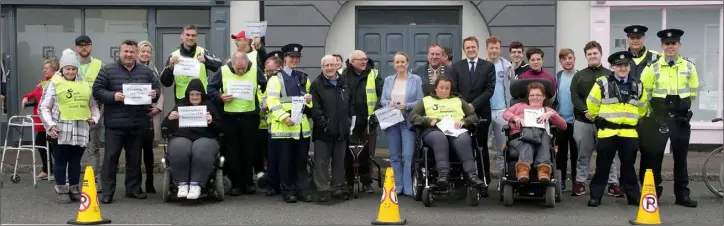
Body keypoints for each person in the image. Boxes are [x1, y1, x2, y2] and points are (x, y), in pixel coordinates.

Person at [93, 40, 161, 204]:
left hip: (138, 122)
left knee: (134, 158)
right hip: (115, 124)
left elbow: (157, 89)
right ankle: (108, 192)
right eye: (126, 51)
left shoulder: (146, 71)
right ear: (120, 52)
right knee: (110, 159)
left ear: (136, 53)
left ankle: (133, 189)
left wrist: (154, 94)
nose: (129, 55)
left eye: (132, 52)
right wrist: (112, 96)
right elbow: (97, 90)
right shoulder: (107, 70)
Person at [639, 28, 698, 207]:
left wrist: (682, 108)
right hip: (658, 119)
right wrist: (646, 116)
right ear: (661, 45)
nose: (670, 46)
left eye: (673, 43)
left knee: (681, 159)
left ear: (679, 45)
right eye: (667, 44)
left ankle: (682, 195)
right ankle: (653, 193)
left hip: (680, 119)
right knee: (653, 158)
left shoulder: (689, 66)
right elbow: (645, 93)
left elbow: (693, 92)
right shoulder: (652, 67)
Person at [39, 49, 101, 203]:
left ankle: (74, 189)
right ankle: (61, 190)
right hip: (60, 130)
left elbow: (93, 106)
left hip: (80, 129)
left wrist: (95, 118)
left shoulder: (84, 83)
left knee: (75, 161)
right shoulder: (54, 82)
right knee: (60, 161)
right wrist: (50, 125)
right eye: (68, 68)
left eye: (73, 68)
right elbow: (44, 107)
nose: (71, 72)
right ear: (62, 68)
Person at [585, 51, 646, 207]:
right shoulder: (602, 83)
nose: (622, 68)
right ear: (612, 67)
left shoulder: (638, 85)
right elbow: (591, 102)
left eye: (625, 65)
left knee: (629, 167)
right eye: (619, 66)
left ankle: (633, 197)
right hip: (607, 131)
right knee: (602, 166)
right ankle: (595, 196)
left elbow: (643, 107)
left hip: (629, 133)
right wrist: (597, 117)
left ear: (629, 66)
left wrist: (633, 120)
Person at [207, 51, 267, 196]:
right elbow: (211, 89)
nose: (241, 71)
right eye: (238, 68)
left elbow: (265, 85)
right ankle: (236, 184)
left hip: (250, 116)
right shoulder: (223, 70)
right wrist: (220, 97)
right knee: (232, 151)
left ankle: (248, 182)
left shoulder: (255, 69)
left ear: (247, 63)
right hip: (229, 117)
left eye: (243, 68)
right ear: (232, 63)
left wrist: (264, 100)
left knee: (249, 151)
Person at [409, 76, 485, 188]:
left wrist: (464, 121)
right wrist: (428, 120)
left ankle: (472, 175)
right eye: (441, 88)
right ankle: (443, 175)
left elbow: (474, 117)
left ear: (450, 89)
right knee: (439, 139)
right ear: (436, 88)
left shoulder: (458, 100)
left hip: (455, 129)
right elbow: (413, 116)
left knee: (464, 139)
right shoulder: (426, 100)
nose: (444, 91)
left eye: (447, 88)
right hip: (434, 129)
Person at [570, 41, 622, 197]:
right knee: (583, 154)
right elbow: (575, 96)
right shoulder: (579, 76)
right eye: (589, 54)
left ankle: (613, 183)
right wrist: (586, 110)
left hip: (606, 122)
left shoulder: (610, 75)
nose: (592, 56)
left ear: (600, 54)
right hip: (583, 121)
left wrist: (601, 113)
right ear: (586, 56)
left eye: (595, 53)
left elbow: (615, 96)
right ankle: (580, 182)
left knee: (609, 154)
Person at [265, 43, 314, 203]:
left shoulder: (303, 77)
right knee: (285, 162)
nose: (294, 60)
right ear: (284, 58)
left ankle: (302, 189)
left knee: (300, 161)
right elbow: (272, 101)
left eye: (297, 57)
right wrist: (284, 117)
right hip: (284, 127)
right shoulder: (275, 78)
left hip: (301, 128)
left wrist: (308, 101)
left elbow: (309, 103)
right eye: (291, 57)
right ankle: (288, 191)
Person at [448, 36, 495, 197]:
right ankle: (462, 181)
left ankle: (484, 182)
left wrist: (473, 105)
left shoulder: (488, 66)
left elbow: (489, 90)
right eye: (467, 47)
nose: (470, 50)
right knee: (461, 145)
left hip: (482, 113)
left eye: (473, 47)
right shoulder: (456, 67)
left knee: (481, 148)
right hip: (460, 114)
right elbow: (454, 90)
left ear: (478, 47)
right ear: (464, 49)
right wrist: (464, 106)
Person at [162, 78, 222, 200]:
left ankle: (196, 185)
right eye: (192, 94)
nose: (194, 97)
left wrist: (211, 122)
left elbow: (221, 128)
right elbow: (164, 127)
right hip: (182, 136)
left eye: (197, 94)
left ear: (202, 95)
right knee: (179, 148)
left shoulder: (209, 105)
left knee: (201, 149)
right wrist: (170, 118)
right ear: (188, 95)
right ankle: (182, 184)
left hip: (205, 137)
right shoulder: (181, 105)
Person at [310, 55, 355, 202]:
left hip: (342, 129)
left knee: (339, 161)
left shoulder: (344, 83)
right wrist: (324, 123)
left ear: (337, 66)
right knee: (322, 162)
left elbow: (350, 103)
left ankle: (337, 188)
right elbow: (315, 108)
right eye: (326, 66)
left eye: (332, 65)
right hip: (324, 131)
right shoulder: (317, 84)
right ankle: (323, 189)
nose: (329, 68)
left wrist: (349, 121)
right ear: (322, 67)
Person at [503, 81, 567, 182]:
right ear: (528, 97)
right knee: (528, 138)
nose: (535, 97)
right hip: (519, 138)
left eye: (538, 95)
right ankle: (523, 170)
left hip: (541, 139)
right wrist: (515, 118)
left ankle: (543, 170)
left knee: (545, 136)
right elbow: (505, 113)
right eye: (532, 95)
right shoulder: (520, 106)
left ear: (544, 97)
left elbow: (564, 126)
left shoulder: (547, 110)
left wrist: (551, 114)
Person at [380, 52, 423, 197]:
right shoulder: (388, 80)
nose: (400, 64)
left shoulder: (416, 79)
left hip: (407, 119)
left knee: (408, 154)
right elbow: (382, 100)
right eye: (397, 62)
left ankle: (408, 186)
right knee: (395, 156)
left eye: (402, 62)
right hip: (392, 119)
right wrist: (390, 103)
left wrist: (407, 105)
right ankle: (398, 186)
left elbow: (420, 100)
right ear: (394, 64)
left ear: (407, 63)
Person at [341, 50, 383, 194]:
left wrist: (377, 112)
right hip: (349, 120)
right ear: (352, 62)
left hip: (368, 120)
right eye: (360, 60)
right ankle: (349, 180)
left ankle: (366, 182)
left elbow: (382, 95)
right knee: (349, 152)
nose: (364, 62)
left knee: (367, 152)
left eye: (365, 59)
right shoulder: (343, 74)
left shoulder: (374, 74)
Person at [482, 36, 515, 189]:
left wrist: (510, 109)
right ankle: (484, 180)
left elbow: (512, 89)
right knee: (484, 148)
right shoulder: (481, 65)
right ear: (487, 49)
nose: (494, 51)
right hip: (485, 111)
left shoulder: (507, 66)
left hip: (502, 112)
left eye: (496, 48)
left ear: (500, 49)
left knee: (503, 148)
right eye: (491, 48)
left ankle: (503, 179)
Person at [160, 25, 222, 104]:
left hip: (201, 98)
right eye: (187, 35)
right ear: (182, 36)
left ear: (196, 37)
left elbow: (220, 65)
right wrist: (170, 68)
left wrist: (206, 60)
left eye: (193, 35)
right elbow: (165, 82)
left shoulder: (203, 52)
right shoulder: (173, 55)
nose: (190, 38)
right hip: (181, 99)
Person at [74, 35, 105, 193]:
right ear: (76, 48)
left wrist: (101, 112)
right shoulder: (70, 65)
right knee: (74, 148)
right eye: (80, 46)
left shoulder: (99, 65)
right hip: (73, 113)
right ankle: (73, 181)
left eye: (86, 45)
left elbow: (105, 88)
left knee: (93, 148)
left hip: (93, 113)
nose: (83, 48)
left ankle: (93, 181)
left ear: (91, 46)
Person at [22, 57, 59, 181]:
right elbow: (34, 94)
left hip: (50, 120)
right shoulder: (44, 83)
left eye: (47, 68)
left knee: (52, 145)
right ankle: (48, 169)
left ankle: (55, 170)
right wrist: (26, 97)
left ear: (54, 69)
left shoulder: (56, 82)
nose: (44, 70)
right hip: (42, 120)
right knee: (43, 143)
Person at [137, 40, 164, 194]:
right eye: (143, 51)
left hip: (149, 114)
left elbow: (159, 90)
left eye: (148, 52)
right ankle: (136, 183)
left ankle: (150, 181)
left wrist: (158, 107)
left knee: (148, 150)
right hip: (135, 114)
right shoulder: (131, 69)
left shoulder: (153, 70)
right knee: (134, 151)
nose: (146, 54)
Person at [553, 48, 578, 190]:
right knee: (560, 154)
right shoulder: (558, 77)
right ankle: (561, 181)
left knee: (575, 153)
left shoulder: (580, 76)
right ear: (560, 61)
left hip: (576, 121)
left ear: (574, 59)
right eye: (564, 59)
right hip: (561, 122)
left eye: (570, 58)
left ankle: (576, 182)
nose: (567, 61)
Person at [261, 53, 283, 196]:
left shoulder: (283, 80)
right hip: (269, 125)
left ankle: (282, 184)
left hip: (283, 124)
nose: (268, 73)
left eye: (271, 70)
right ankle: (273, 184)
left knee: (283, 158)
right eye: (266, 70)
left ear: (279, 67)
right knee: (271, 158)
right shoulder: (266, 80)